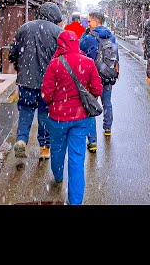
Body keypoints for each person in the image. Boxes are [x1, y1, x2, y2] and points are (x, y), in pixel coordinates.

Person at [41, 30, 103, 205]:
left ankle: (58, 176)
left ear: (60, 44)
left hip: (57, 118)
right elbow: (97, 90)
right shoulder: (88, 62)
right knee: (77, 159)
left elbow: (46, 95)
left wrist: (56, 100)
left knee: (57, 150)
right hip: (80, 118)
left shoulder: (54, 64)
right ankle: (75, 201)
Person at [9, 1, 63, 160]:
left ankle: (21, 140)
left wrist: (19, 67)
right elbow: (61, 58)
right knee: (45, 114)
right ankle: (45, 147)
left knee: (25, 111)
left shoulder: (24, 28)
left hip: (26, 81)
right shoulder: (57, 32)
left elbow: (13, 52)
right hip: (48, 83)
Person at [80, 11, 117, 151]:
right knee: (107, 103)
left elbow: (79, 47)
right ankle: (108, 128)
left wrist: (85, 33)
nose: (88, 24)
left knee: (91, 107)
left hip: (92, 77)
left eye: (89, 21)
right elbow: (116, 56)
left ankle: (92, 141)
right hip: (108, 75)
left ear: (96, 21)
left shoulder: (89, 37)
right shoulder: (111, 36)